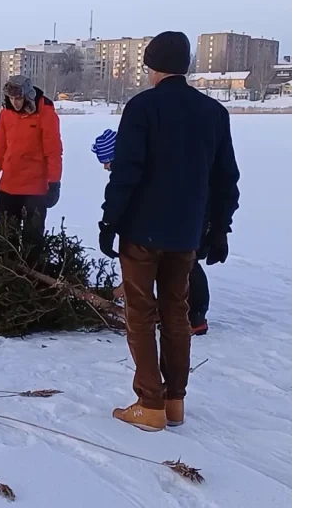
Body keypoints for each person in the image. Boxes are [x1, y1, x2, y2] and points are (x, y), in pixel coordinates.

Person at [98, 30, 240, 431]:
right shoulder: (213, 112)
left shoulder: (142, 107)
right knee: (177, 312)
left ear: (153, 66)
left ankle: (150, 404)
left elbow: (127, 172)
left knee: (141, 314)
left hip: (142, 230)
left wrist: (110, 220)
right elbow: (225, 178)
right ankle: (175, 401)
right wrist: (219, 228)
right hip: (187, 231)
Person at [96, 128, 211, 336]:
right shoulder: (143, 163)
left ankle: (195, 316)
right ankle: (169, 311)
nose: (105, 167)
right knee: (168, 264)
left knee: (185, 265)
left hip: (182, 219)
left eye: (107, 161)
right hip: (171, 221)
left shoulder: (140, 172)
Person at [0, 75, 63, 263]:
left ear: (27, 95)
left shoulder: (46, 113)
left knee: (32, 241)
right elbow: (0, 147)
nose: (15, 102)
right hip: (8, 187)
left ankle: (31, 274)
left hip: (34, 190)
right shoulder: (5, 113)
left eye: (18, 98)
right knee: (6, 238)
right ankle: (7, 273)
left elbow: (53, 152)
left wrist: (54, 183)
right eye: (11, 98)